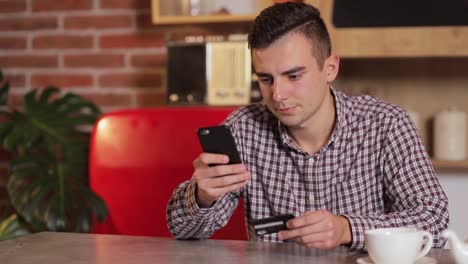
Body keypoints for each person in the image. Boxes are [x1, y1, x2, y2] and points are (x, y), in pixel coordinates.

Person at [166, 2, 449, 250]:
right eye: (266, 79)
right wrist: (202, 197)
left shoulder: (386, 124)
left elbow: (434, 220)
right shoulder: (243, 130)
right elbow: (183, 231)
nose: (277, 95)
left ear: (330, 69)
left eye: (293, 76)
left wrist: (347, 229)